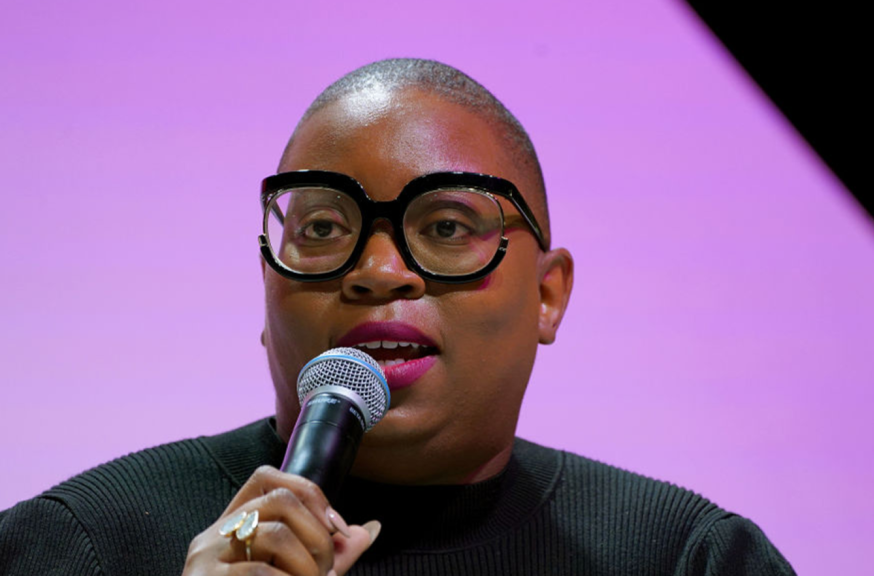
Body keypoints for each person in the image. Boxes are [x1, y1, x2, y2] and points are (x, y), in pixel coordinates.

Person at [0, 58, 795, 575]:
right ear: (267, 290)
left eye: (446, 226)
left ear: (548, 294)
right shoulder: (77, 545)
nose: (378, 272)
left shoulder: (687, 560)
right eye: (322, 229)